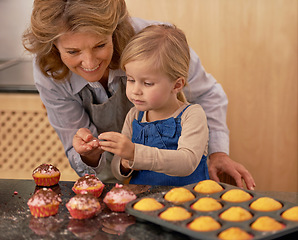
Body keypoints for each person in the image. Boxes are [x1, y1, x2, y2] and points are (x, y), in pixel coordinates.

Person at [22, 0, 255, 189]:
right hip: (128, 189)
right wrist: (90, 156)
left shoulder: (156, 44)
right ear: (54, 46)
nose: (90, 63)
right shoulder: (49, 71)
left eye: (100, 45)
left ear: (114, 29)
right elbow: (105, 167)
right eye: (72, 51)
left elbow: (207, 95)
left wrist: (218, 153)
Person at [98, 24, 209, 186]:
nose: (136, 90)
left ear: (177, 85)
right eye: (130, 79)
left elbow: (187, 162)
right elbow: (119, 173)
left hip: (189, 202)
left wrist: (135, 153)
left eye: (148, 83)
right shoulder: (134, 115)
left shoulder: (192, 115)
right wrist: (124, 163)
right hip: (145, 203)